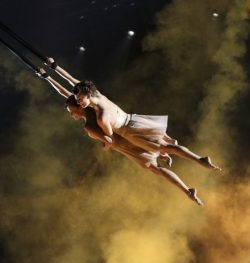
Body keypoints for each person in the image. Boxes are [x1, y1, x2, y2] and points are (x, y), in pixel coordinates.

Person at [38, 63, 210, 205]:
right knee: (162, 154)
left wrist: (104, 148)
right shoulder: (90, 104)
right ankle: (185, 179)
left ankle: (189, 184)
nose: (71, 114)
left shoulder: (90, 125)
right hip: (130, 128)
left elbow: (110, 139)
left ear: (78, 104)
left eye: (71, 110)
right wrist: (49, 73)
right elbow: (67, 90)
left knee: (157, 166)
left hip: (126, 142)